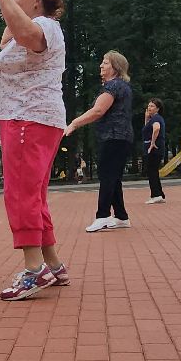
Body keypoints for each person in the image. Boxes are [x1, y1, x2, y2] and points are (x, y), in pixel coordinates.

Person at [0, 0, 70, 301]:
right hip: (32, 118)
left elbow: (26, 34)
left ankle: (34, 270)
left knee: (20, 192)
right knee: (33, 193)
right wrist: (7, 3)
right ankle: (52, 263)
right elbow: (10, 34)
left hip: (29, 118)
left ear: (38, 1)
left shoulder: (45, 25)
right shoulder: (32, 27)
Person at [64, 50, 135, 231]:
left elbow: (97, 111)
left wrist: (74, 123)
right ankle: (121, 217)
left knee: (107, 176)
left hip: (113, 137)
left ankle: (102, 215)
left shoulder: (113, 86)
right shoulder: (122, 86)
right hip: (120, 137)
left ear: (115, 67)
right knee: (113, 177)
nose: (101, 66)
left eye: (105, 63)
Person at [141, 98, 168, 204]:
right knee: (153, 171)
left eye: (152, 106)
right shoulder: (153, 118)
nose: (149, 108)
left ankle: (156, 195)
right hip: (155, 148)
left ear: (157, 108)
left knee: (151, 171)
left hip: (154, 148)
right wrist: (146, 119)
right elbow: (147, 129)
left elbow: (156, 128)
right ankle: (159, 194)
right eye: (148, 106)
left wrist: (152, 143)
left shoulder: (156, 118)